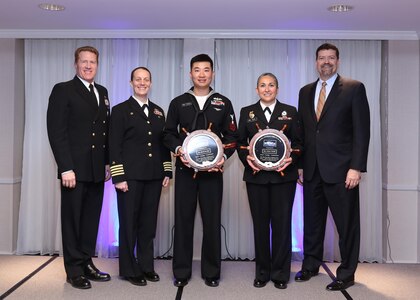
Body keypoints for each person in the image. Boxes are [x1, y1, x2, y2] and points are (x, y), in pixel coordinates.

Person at [296, 43, 370, 291]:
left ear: (338, 61)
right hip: (312, 169)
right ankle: (310, 265)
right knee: (312, 222)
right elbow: (305, 132)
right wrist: (300, 165)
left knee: (347, 225)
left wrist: (356, 167)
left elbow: (362, 131)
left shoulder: (353, 88)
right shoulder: (305, 92)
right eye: (321, 58)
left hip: (342, 171)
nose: (326, 62)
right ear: (315, 62)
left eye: (330, 58)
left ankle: (346, 274)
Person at [163, 54, 238, 288]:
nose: (202, 74)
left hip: (213, 173)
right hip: (185, 172)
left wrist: (223, 157)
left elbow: (233, 136)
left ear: (213, 73)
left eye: (206, 70)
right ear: (190, 73)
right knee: (183, 220)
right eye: (197, 70)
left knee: (212, 222)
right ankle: (182, 272)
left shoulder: (223, 102)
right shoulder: (178, 102)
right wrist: (178, 149)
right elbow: (167, 133)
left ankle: (212, 272)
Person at [47, 46, 111, 289]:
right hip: (73, 170)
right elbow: (56, 132)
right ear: (76, 64)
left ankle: (86, 262)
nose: (88, 66)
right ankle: (73, 270)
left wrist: (106, 162)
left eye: (92, 62)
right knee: (72, 220)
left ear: (97, 64)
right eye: (84, 61)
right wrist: (65, 168)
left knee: (90, 221)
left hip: (96, 170)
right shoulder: (63, 90)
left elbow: (104, 131)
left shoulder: (102, 92)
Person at [237, 73, 302, 290]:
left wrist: (293, 159)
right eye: (263, 85)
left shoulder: (290, 112)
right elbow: (239, 144)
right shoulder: (247, 112)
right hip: (256, 178)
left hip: (284, 178)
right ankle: (262, 272)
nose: (267, 89)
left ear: (277, 88)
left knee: (283, 226)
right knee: (260, 226)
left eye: (271, 85)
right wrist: (247, 160)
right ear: (257, 89)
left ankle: (281, 273)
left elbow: (300, 143)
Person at [108, 67, 172, 286]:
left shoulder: (158, 112)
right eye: (138, 79)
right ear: (131, 82)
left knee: (148, 225)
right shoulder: (120, 110)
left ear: (151, 83)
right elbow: (113, 145)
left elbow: (162, 144)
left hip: (154, 176)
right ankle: (128, 269)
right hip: (130, 177)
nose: (142, 83)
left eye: (146, 79)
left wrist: (167, 170)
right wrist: (118, 176)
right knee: (128, 224)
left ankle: (146, 266)